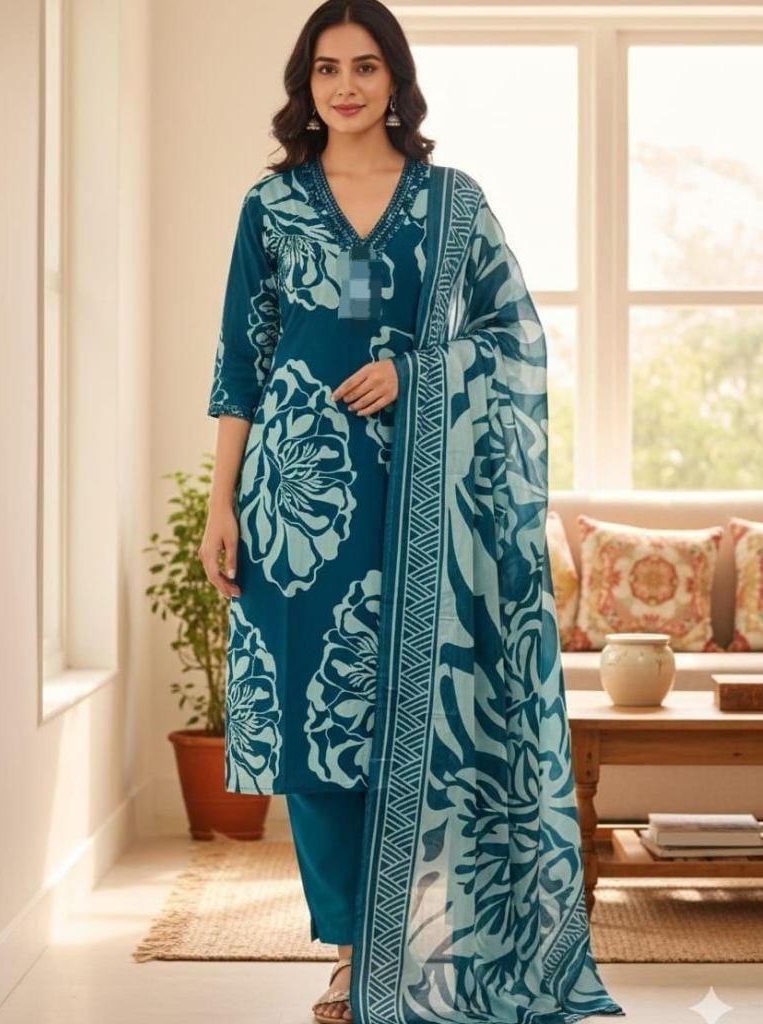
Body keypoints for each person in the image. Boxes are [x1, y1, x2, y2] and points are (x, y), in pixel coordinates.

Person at [199, 2, 626, 1023]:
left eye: (365, 66)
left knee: (422, 720)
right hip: (294, 509)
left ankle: (430, 944)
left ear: (395, 78)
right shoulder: (272, 205)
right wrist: (221, 504)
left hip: (423, 502)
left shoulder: (450, 202)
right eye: (326, 68)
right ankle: (354, 956)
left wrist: (416, 370)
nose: (345, 86)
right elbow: (239, 364)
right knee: (318, 734)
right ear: (305, 84)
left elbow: (515, 338)